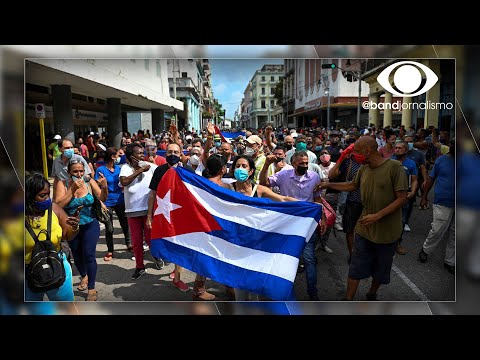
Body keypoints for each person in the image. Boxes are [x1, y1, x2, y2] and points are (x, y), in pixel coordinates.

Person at [316, 136, 408, 301]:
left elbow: (402, 198)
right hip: (364, 229)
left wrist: (377, 216)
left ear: (366, 151)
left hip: (387, 232)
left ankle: (372, 293)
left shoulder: (395, 168)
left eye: (356, 152)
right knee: (356, 266)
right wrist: (328, 184)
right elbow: (351, 186)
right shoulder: (364, 169)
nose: (354, 155)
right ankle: (348, 299)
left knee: (381, 270)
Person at [260, 151, 326, 300]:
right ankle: (280, 291)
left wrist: (322, 218)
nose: (304, 165)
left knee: (309, 258)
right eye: (301, 163)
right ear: (293, 163)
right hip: (287, 223)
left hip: (307, 223)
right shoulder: (283, 175)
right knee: (283, 258)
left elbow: (317, 199)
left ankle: (313, 293)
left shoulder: (314, 177)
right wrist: (266, 165)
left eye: (306, 163)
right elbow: (264, 184)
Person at [54, 160, 108, 301]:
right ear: (68, 172)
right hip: (71, 226)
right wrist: (72, 189)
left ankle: (91, 288)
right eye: (75, 172)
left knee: (89, 254)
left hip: (90, 223)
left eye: (81, 171)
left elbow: (101, 197)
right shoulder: (63, 183)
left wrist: (104, 187)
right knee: (77, 255)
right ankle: (84, 275)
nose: (79, 174)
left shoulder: (89, 181)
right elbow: (58, 205)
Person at [147, 143, 194, 293]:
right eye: (169, 151)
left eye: (176, 151)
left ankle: (177, 277)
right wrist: (149, 216)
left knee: (180, 245)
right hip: (163, 214)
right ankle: (173, 267)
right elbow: (152, 194)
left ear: (181, 154)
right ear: (165, 153)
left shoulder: (187, 170)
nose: (172, 154)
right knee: (166, 243)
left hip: (182, 215)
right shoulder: (159, 171)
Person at [25, 173, 80, 301]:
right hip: (27, 273)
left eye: (47, 194)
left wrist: (75, 227)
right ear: (28, 197)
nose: (47, 199)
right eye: (42, 196)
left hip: (57, 267)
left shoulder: (54, 209)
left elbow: (68, 236)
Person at [120, 143, 163, 280]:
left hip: (148, 210)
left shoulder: (148, 166)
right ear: (132, 156)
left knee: (151, 239)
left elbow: (163, 171)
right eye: (139, 153)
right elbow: (124, 182)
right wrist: (139, 170)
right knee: (137, 242)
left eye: (142, 153)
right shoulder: (125, 168)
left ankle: (156, 257)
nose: (142, 155)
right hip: (132, 211)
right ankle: (139, 267)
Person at [418, 139, 455, 275]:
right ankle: (425, 250)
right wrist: (423, 197)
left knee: (456, 233)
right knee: (437, 229)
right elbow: (431, 179)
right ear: (450, 146)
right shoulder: (441, 160)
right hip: (443, 201)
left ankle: (450, 261)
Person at [95, 147, 132, 261]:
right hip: (107, 202)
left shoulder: (119, 169)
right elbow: (96, 187)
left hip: (120, 200)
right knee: (109, 228)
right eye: (117, 155)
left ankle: (129, 244)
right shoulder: (100, 170)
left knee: (125, 224)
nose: (119, 157)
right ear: (112, 156)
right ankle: (110, 250)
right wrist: (100, 202)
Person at [391, 141, 418, 255]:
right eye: (396, 148)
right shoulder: (389, 161)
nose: (397, 150)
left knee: (401, 221)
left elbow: (414, 179)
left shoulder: (411, 163)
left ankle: (397, 243)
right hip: (389, 196)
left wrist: (412, 191)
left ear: (406, 150)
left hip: (403, 196)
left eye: (400, 148)